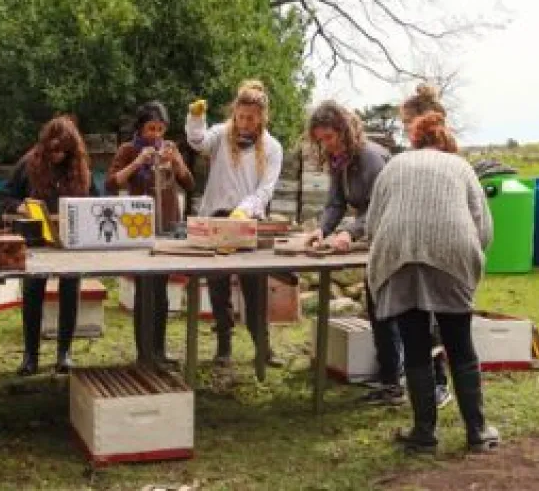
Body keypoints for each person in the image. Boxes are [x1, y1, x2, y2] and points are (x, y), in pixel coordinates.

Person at [301, 100, 451, 408]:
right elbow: (335, 204)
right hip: (377, 242)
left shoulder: (371, 158)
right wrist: (322, 230)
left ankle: (437, 382)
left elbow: (381, 206)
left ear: (344, 130)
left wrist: (350, 233)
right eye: (321, 140)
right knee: (378, 310)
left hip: (401, 239)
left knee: (412, 311)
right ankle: (390, 381)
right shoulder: (339, 161)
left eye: (330, 137)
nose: (326, 145)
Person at [366, 110, 499, 453]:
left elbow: (372, 226)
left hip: (398, 253)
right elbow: (483, 229)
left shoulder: (394, 165)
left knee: (414, 344)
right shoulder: (461, 167)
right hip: (451, 251)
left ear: (414, 140)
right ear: (445, 140)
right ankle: (478, 430)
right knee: (459, 343)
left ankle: (423, 433)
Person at [185, 79, 284, 367]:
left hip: (249, 222)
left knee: (254, 288)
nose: (243, 123)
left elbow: (266, 189)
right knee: (218, 288)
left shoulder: (272, 147)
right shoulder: (221, 134)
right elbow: (197, 141)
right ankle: (224, 348)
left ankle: (262, 348)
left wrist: (244, 210)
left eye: (250, 118)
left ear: (262, 117)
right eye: (239, 116)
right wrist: (196, 117)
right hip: (216, 218)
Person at [1, 115, 99, 376]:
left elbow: (96, 200)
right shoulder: (29, 162)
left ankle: (64, 353)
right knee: (33, 293)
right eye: (53, 150)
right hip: (36, 241)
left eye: (62, 152)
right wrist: (21, 206)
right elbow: (6, 195)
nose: (57, 156)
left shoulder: (80, 167)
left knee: (70, 291)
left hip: (70, 241)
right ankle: (30, 356)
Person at [106, 101, 194, 366]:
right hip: (139, 228)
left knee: (161, 291)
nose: (155, 134)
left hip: (167, 227)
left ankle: (160, 350)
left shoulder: (170, 149)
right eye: (150, 128)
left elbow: (189, 183)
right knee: (145, 291)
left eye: (160, 129)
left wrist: (177, 163)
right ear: (140, 128)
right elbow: (111, 184)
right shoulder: (128, 149)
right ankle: (144, 353)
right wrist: (137, 162)